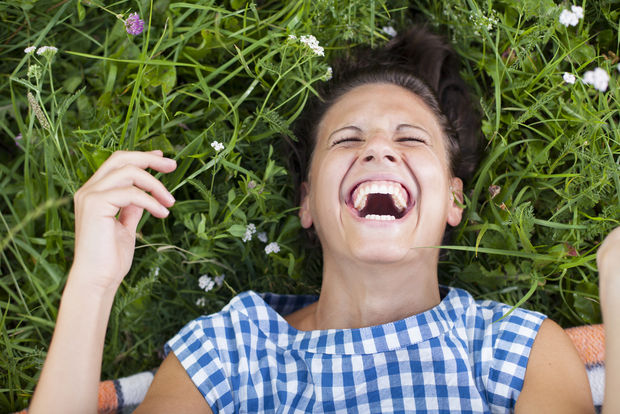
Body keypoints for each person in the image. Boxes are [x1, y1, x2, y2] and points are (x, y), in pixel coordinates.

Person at [28, 26, 614, 414]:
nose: (380, 151)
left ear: (455, 200)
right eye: (348, 139)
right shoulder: (232, 350)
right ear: (309, 202)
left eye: (410, 139)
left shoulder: (515, 346)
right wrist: (94, 282)